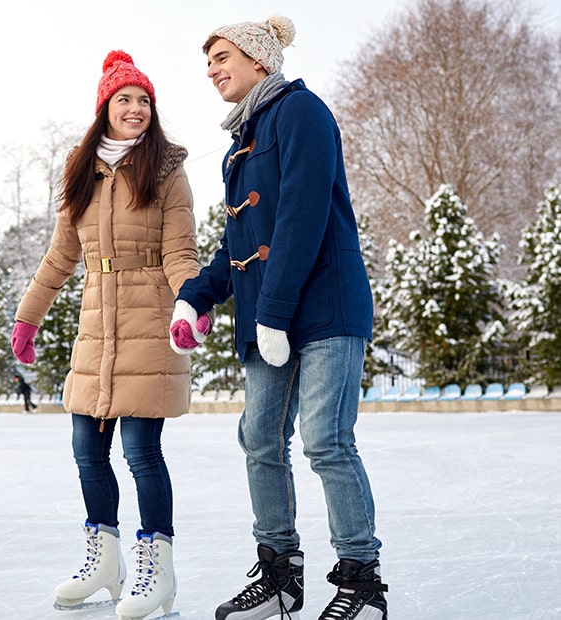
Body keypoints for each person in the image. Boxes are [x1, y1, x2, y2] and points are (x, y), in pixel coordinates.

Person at [169, 16, 388, 620]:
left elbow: (301, 218)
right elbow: (239, 242)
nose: (212, 69)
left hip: (322, 308)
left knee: (326, 442)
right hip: (272, 319)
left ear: (259, 58)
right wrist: (196, 295)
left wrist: (272, 312)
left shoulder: (302, 112)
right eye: (207, 62)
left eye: (221, 56)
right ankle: (280, 575)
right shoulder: (241, 142)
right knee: (260, 439)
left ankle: (362, 582)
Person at [10, 50, 211, 620]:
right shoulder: (81, 171)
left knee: (143, 453)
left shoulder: (168, 169)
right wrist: (29, 316)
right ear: (104, 107)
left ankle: (157, 571)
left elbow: (180, 252)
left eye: (144, 100)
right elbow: (59, 257)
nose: (137, 108)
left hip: (149, 323)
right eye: (125, 99)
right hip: (97, 330)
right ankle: (104, 561)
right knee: (86, 451)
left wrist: (190, 304)